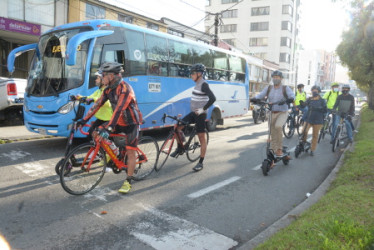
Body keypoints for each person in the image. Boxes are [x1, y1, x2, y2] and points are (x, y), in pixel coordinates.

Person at [78, 62, 143, 194]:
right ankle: (116, 154)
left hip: (131, 123)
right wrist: (84, 119)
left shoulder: (125, 89)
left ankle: (128, 180)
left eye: (103, 75)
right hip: (118, 121)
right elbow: (97, 105)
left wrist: (109, 127)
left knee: (131, 152)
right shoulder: (108, 89)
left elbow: (119, 109)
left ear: (111, 76)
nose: (101, 78)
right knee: (96, 133)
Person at [170, 63, 216, 172]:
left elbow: (213, 98)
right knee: (177, 127)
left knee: (201, 138)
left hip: (201, 115)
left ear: (199, 74)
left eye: (193, 73)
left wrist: (202, 109)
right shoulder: (197, 83)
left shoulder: (204, 84)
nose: (191, 75)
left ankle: (200, 162)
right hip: (193, 113)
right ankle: (181, 147)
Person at [251, 70, 295, 160]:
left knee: (278, 126)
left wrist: (288, 99)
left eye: (277, 77)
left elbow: (292, 95)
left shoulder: (285, 88)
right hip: (272, 112)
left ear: (281, 78)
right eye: (274, 77)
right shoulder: (269, 88)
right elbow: (261, 95)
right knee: (272, 131)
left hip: (282, 112)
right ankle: (273, 149)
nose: (275, 79)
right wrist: (254, 99)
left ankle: (279, 149)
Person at [299, 86, 327, 156]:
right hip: (309, 119)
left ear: (319, 91)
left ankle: (312, 149)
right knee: (304, 131)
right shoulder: (309, 99)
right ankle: (304, 142)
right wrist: (302, 104)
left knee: (315, 135)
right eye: (313, 90)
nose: (314, 91)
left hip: (318, 121)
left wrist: (320, 109)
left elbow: (325, 110)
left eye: (316, 90)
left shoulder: (322, 100)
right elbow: (305, 105)